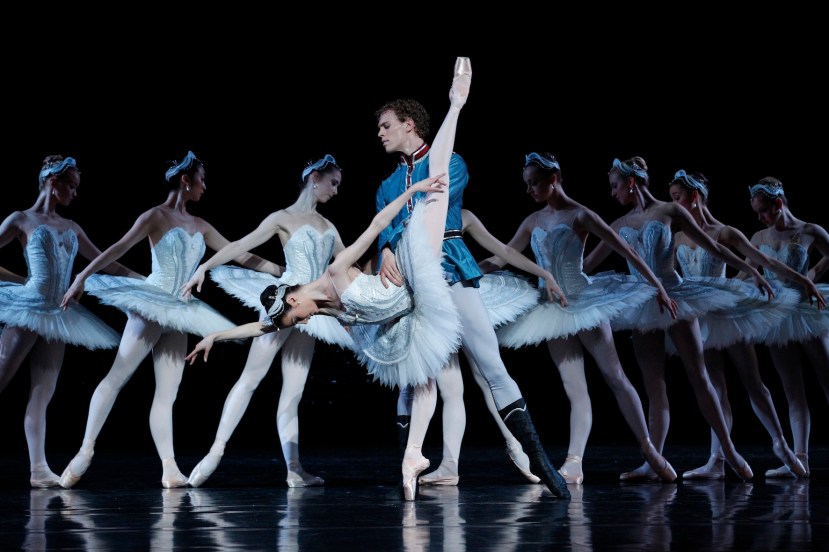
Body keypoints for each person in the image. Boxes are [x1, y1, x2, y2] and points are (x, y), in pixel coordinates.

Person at [373, 58, 569, 500]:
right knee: (414, 375)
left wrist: (456, 105)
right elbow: (385, 226)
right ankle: (410, 460)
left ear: (409, 125)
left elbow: (436, 195)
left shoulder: (452, 162)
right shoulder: (387, 184)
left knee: (490, 366)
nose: (380, 133)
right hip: (410, 281)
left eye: (386, 125)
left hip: (447, 267)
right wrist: (385, 248)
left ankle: (537, 458)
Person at [57, 151, 279, 489]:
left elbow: (238, 252)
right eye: (202, 179)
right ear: (185, 180)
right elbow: (117, 248)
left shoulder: (200, 225)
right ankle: (85, 450)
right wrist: (81, 278)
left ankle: (169, 467)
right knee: (118, 376)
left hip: (181, 311)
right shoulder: (155, 216)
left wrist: (281, 270)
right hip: (154, 301)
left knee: (167, 393)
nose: (205, 186)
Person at [479, 152, 679, 485]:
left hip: (585, 304)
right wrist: (467, 272)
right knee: (575, 389)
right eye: (526, 184)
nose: (529, 190)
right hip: (552, 312)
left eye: (534, 182)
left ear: (553, 179)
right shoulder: (532, 221)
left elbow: (625, 250)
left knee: (615, 376)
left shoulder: (581, 215)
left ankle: (649, 450)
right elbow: (503, 256)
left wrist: (658, 286)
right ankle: (574, 462)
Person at [583, 156, 776, 482]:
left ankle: (728, 449)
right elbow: (587, 264)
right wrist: (552, 277)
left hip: (676, 295)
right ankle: (654, 460)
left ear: (632, 183)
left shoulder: (671, 212)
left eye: (615, 186)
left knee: (698, 375)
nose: (612, 193)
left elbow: (715, 249)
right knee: (653, 385)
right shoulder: (618, 225)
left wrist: (750, 270)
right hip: (642, 302)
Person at [179, 153, 355, 488]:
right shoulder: (283, 218)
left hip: (312, 309)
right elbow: (242, 245)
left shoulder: (329, 227)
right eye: (333, 183)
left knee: (294, 389)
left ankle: (293, 468)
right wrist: (204, 266)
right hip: (285, 302)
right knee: (251, 378)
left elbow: (344, 268)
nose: (336, 191)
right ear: (314, 178)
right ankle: (215, 452)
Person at [668, 170, 822, 479]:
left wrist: (804, 278)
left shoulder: (723, 232)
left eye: (678, 198)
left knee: (753, 381)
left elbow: (764, 261)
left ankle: (782, 445)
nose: (674, 205)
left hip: (727, 311)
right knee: (715, 389)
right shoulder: (678, 236)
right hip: (700, 314)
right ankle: (717, 459)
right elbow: (665, 274)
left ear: (695, 198)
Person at [400, 207, 568, 488]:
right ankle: (450, 465)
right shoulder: (416, 215)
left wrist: (543, 273)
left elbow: (502, 250)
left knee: (486, 374)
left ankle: (519, 449)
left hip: (460, 295)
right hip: (433, 303)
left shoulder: (460, 215)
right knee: (451, 388)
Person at [0, 155, 135, 488]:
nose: (75, 193)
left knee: (43, 391)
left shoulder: (72, 227)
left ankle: (38, 468)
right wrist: (21, 282)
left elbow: (107, 262)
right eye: (71, 186)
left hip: (60, 314)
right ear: (52, 182)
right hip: (29, 308)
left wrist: (145, 281)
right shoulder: (21, 220)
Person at [746, 176, 829, 478]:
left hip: (806, 311)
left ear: (778, 205)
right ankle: (800, 458)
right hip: (778, 315)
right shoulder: (758, 238)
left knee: (826, 377)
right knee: (792, 388)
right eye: (757, 212)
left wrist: (813, 276)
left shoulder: (809, 231)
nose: (760, 217)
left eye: (764, 210)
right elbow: (748, 271)